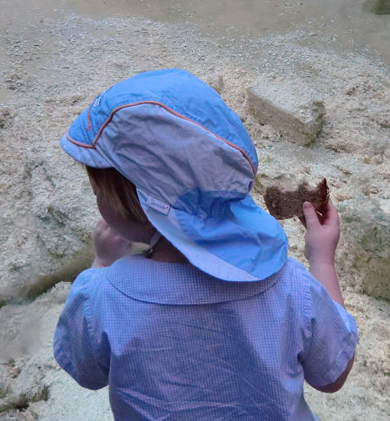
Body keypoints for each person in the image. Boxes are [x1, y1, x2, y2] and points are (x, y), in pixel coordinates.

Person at [53, 68, 358, 419]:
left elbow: (85, 372)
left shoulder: (101, 295)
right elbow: (334, 374)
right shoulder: (291, 285)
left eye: (99, 193)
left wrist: (102, 264)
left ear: (138, 203)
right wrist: (322, 261)